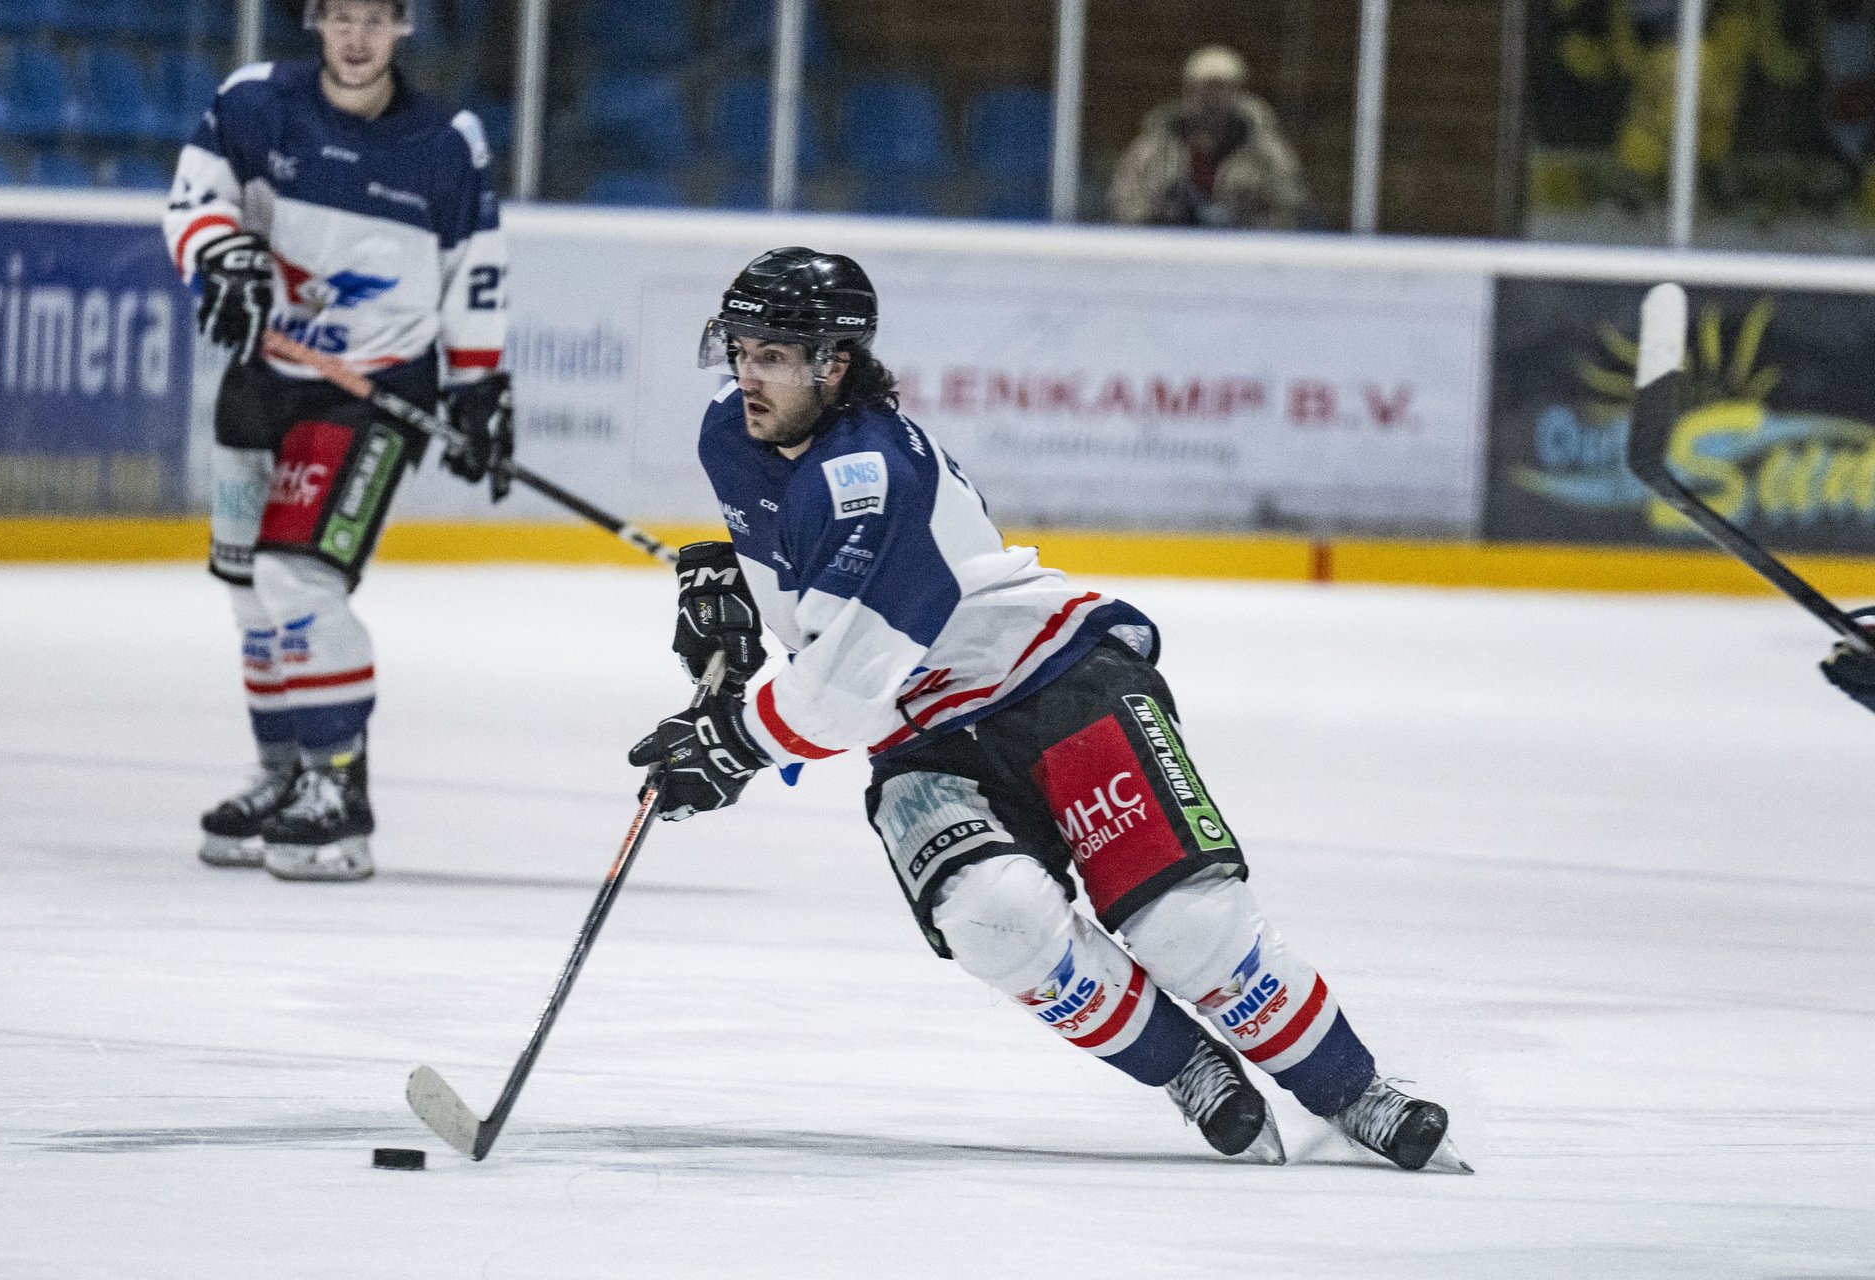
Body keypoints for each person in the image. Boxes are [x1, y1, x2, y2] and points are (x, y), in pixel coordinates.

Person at [625, 247, 1469, 1171]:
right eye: (741, 347)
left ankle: (1356, 1095)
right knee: (994, 917)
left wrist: (732, 741)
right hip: (924, 739)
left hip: (1051, 678)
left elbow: (844, 683)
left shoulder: (870, 474)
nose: (749, 373)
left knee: (1186, 928)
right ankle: (1187, 1068)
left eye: (776, 355)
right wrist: (737, 590)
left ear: (834, 363)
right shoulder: (731, 432)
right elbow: (801, 582)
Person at [163, 0, 513, 881]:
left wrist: (480, 391)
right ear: (316, 20)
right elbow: (194, 203)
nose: (357, 37)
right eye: (341, 16)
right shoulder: (253, 103)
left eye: (376, 19)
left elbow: (474, 273)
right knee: (250, 590)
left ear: (404, 27)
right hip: (262, 379)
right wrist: (222, 256)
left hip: (375, 394)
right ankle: (283, 776)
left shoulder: (447, 141)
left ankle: (339, 788)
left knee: (298, 577)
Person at [1108, 45, 1313, 231]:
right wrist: (1161, 213)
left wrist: (1240, 222)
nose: (1211, 99)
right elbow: (1123, 201)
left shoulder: (1265, 151)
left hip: (1241, 256)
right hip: (1168, 252)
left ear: (1237, 93)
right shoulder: (1154, 146)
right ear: (1188, 92)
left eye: (1221, 88)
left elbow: (1291, 208)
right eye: (1204, 88)